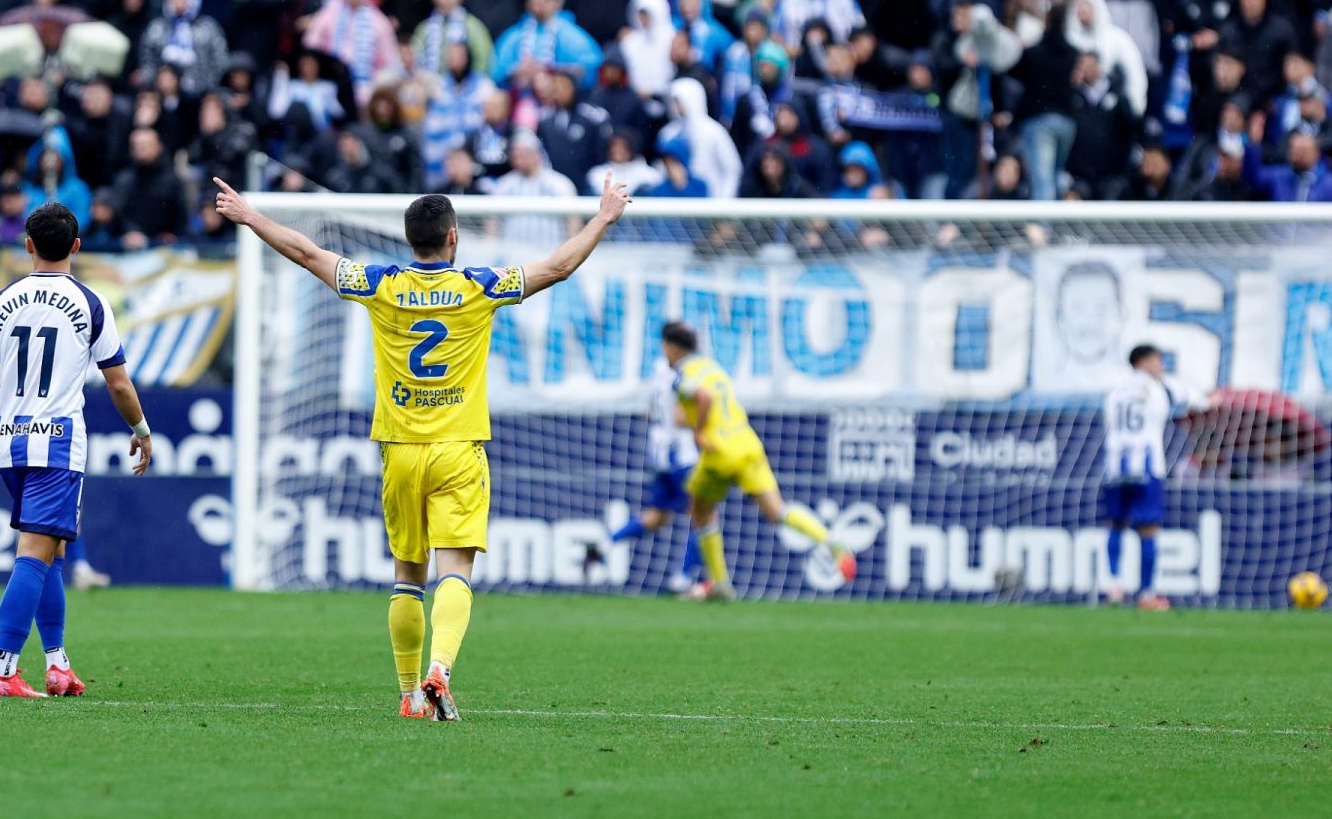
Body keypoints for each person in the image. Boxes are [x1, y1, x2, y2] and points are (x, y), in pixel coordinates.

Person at [210, 175, 632, 721]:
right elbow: (557, 268)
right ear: (453, 237)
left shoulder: (379, 282)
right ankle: (442, 671)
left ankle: (410, 694)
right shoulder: (480, 286)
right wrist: (602, 217)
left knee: (407, 575)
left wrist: (252, 216)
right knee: (454, 569)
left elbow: (307, 251)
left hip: (400, 450)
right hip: (458, 448)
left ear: (409, 240)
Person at [0, 203, 155, 698]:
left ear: (28, 245)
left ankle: (57, 663)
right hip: (58, 443)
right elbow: (118, 383)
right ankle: (2, 669)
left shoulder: (0, 301)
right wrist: (142, 429)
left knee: (53, 552)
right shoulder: (89, 304)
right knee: (35, 555)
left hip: (7, 442)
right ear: (77, 247)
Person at [658, 320, 855, 602]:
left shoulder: (682, 374)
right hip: (746, 441)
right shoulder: (712, 368)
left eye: (665, 348)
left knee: (699, 509)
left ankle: (721, 583)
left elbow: (704, 397)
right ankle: (830, 540)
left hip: (720, 449)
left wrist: (699, 431)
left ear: (672, 347)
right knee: (777, 511)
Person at [1100, 344, 1210, 610]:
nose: (1162, 366)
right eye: (1158, 360)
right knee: (1148, 529)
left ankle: (1114, 586)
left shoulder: (1114, 391)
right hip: (1147, 464)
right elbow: (1199, 401)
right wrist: (1209, 401)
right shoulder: (1160, 386)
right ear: (1144, 362)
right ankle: (1147, 594)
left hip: (1116, 464)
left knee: (1116, 524)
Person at [582, 357, 701, 594]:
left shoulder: (657, 371)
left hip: (658, 456)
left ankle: (603, 545)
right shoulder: (683, 375)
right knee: (703, 516)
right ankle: (683, 578)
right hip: (680, 456)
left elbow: (649, 412)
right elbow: (679, 417)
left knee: (657, 517)